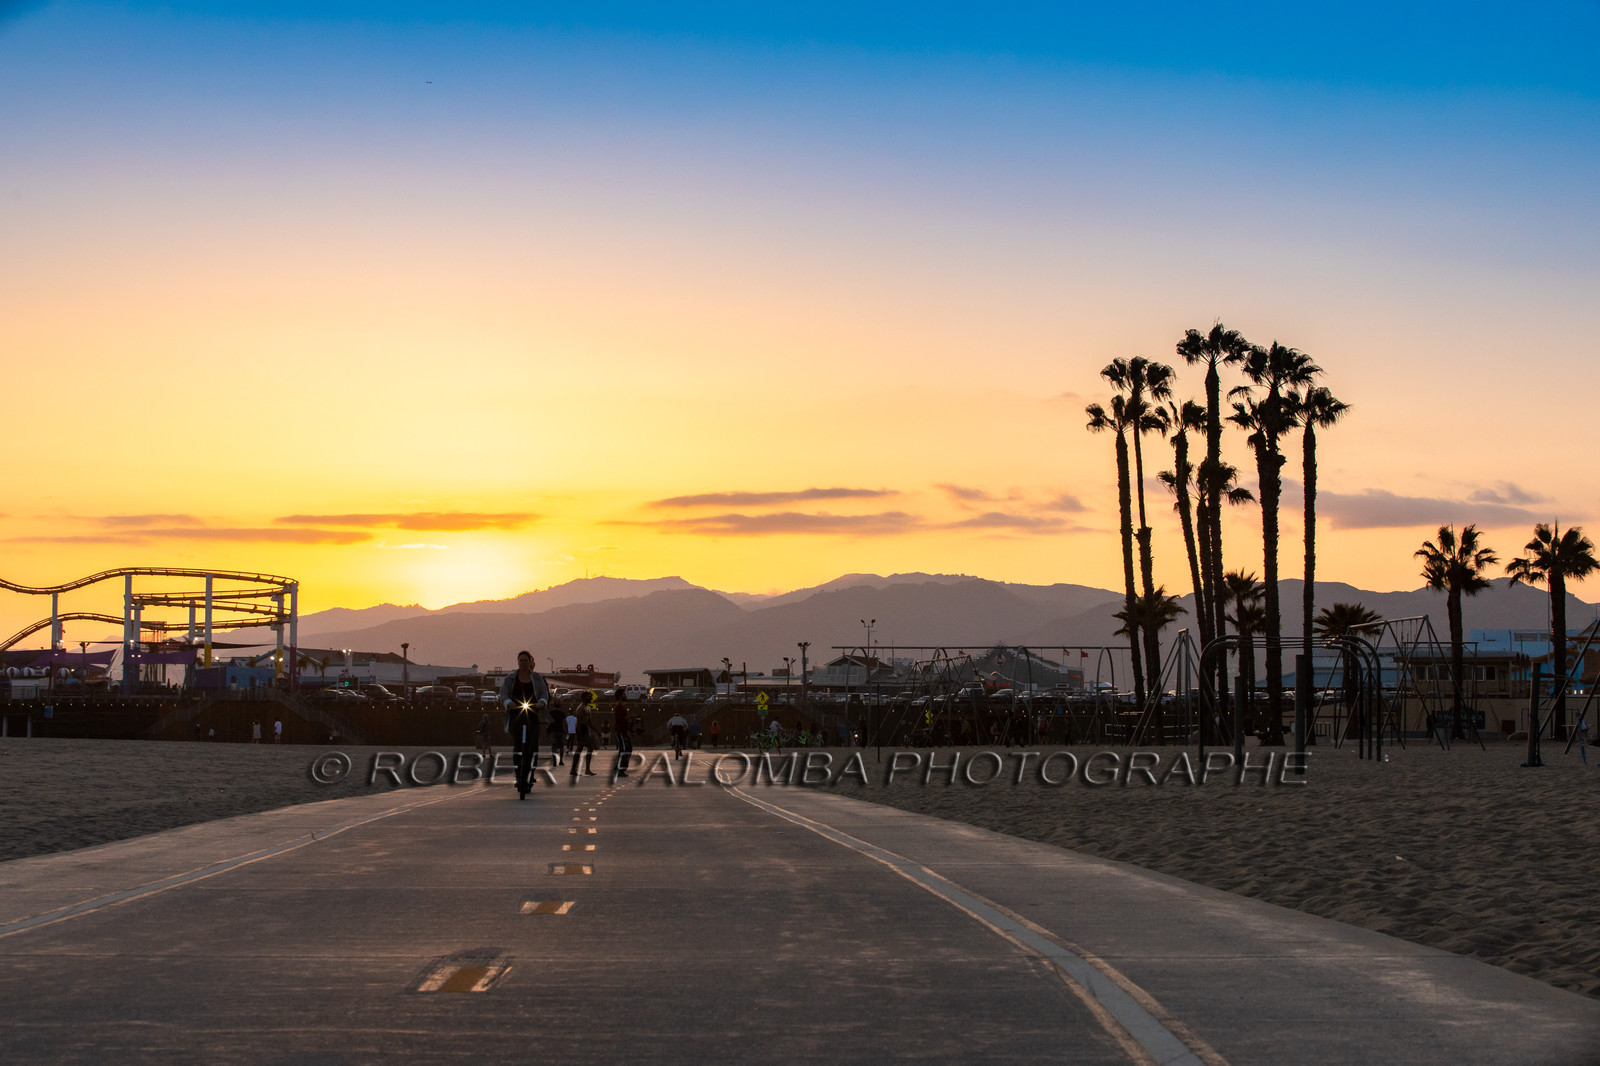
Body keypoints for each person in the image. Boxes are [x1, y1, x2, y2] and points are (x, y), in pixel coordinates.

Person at [501, 650, 551, 800]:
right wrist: (508, 703)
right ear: (518, 662)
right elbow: (503, 694)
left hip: (533, 714)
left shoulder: (537, 678)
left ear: (530, 662)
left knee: (531, 746)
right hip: (516, 714)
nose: (523, 663)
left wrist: (542, 702)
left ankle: (530, 774)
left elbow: (544, 693)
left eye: (525, 660)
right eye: (521, 660)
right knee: (518, 746)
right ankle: (519, 776)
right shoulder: (510, 678)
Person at [570, 693, 599, 778]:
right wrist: (580, 734)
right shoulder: (580, 708)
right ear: (584, 698)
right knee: (582, 749)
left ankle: (583, 769)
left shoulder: (587, 708)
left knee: (586, 748)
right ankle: (578, 769)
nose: (591, 698)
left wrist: (596, 730)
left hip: (585, 729)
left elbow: (589, 722)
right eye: (589, 697)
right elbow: (579, 723)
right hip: (581, 730)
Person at [613, 689, 634, 777]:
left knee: (627, 749)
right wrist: (630, 717)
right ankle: (620, 769)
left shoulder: (622, 706)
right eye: (624, 694)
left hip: (624, 731)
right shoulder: (619, 707)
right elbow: (620, 719)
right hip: (620, 731)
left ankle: (619, 768)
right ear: (620, 696)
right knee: (624, 750)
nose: (625, 696)